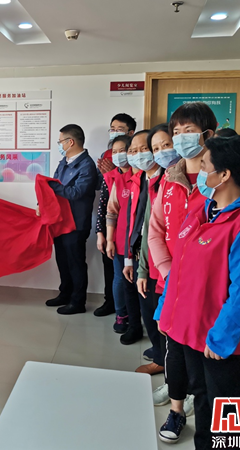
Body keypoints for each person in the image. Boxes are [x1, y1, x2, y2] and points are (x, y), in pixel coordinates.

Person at [155, 136, 240, 449]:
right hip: (191, 330)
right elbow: (179, 267)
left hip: (222, 340)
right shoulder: (204, 210)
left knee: (224, 412)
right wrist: (166, 311)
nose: (199, 172)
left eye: (204, 166)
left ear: (224, 175)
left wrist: (222, 337)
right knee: (201, 398)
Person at [148, 102, 217, 443]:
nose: (180, 138)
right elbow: (155, 230)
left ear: (208, 134)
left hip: (208, 289)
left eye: (188, 131)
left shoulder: (220, 181)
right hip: (172, 284)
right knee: (173, 351)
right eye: (176, 132)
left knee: (203, 357)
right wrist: (167, 271)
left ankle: (199, 407)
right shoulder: (169, 179)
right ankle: (176, 411)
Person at [135, 123, 178, 374]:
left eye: (167, 145)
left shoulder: (196, 183)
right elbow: (150, 231)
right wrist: (142, 269)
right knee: (154, 316)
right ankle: (163, 362)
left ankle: (174, 374)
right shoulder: (159, 183)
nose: (162, 152)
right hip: (156, 266)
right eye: (156, 148)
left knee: (174, 326)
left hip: (181, 270)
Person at [45, 124, 97, 315]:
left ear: (71, 142)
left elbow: (76, 192)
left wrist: (51, 186)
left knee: (76, 263)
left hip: (76, 223)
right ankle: (65, 294)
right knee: (62, 261)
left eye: (60, 141)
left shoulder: (87, 165)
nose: (59, 145)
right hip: (60, 221)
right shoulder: (64, 162)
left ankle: (78, 302)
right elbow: (54, 187)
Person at [121, 130, 164, 349]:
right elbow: (132, 221)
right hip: (139, 253)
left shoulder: (165, 180)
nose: (138, 155)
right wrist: (129, 257)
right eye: (133, 151)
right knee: (146, 306)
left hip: (160, 258)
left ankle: (162, 356)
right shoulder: (138, 179)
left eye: (144, 149)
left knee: (158, 311)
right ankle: (158, 352)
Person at [105, 135, 140, 330]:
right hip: (120, 241)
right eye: (115, 152)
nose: (118, 155)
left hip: (140, 242)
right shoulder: (118, 180)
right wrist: (109, 240)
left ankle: (139, 318)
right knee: (120, 279)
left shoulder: (143, 177)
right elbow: (111, 212)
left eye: (123, 151)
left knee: (139, 280)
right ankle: (121, 315)